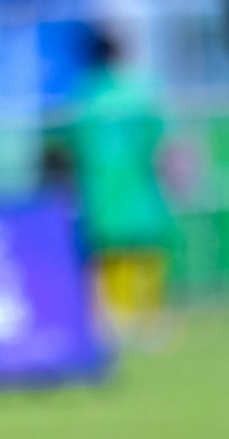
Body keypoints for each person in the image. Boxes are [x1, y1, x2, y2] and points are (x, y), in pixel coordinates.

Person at [62, 28, 172, 344]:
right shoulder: (141, 90)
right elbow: (161, 140)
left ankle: (118, 318)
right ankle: (151, 318)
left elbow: (72, 146)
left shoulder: (82, 96)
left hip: (100, 187)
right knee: (148, 247)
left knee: (111, 250)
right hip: (140, 182)